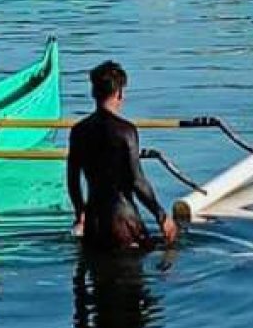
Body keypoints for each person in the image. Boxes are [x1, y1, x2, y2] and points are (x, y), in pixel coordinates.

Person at [67, 60, 178, 250]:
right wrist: (161, 215)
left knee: (99, 273)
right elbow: (137, 181)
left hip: (95, 222)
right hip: (123, 220)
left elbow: (72, 178)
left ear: (94, 93)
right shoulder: (125, 131)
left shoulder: (78, 131)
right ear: (119, 93)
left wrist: (80, 212)